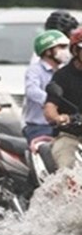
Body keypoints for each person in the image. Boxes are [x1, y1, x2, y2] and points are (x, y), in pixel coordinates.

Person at [44, 27, 82, 169]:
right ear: (76, 51)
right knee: (67, 166)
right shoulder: (63, 76)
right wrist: (59, 118)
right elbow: (50, 107)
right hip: (71, 136)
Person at [23, 29, 70, 144]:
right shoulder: (35, 70)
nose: (66, 51)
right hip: (40, 128)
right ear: (48, 51)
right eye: (62, 47)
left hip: (62, 127)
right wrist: (52, 103)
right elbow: (31, 91)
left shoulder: (64, 72)